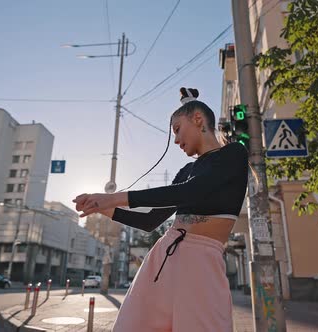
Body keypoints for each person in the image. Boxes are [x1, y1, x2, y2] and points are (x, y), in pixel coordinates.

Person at [73, 87, 249, 332]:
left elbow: (192, 191)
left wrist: (112, 199)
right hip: (162, 258)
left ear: (198, 119)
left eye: (177, 129)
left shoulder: (234, 153)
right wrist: (102, 208)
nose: (175, 140)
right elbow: (151, 221)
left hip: (202, 263)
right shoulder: (185, 171)